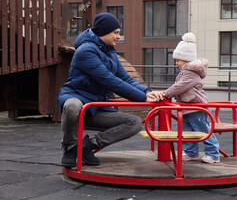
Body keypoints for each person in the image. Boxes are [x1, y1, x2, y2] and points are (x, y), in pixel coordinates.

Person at [58, 12, 163, 168]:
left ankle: (88, 146)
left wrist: (146, 92)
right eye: (115, 32)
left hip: (97, 107)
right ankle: (71, 148)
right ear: (103, 32)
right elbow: (109, 80)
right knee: (72, 106)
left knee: (134, 122)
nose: (118, 37)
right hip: (78, 100)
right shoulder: (86, 51)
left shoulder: (109, 51)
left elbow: (124, 78)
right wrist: (141, 98)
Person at [162, 32, 220, 163]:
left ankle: (213, 154)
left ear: (187, 59)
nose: (176, 63)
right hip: (187, 107)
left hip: (196, 107)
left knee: (203, 130)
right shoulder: (185, 72)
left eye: (178, 60)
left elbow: (180, 86)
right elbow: (178, 86)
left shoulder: (190, 73)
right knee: (187, 131)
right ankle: (191, 153)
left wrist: (166, 93)